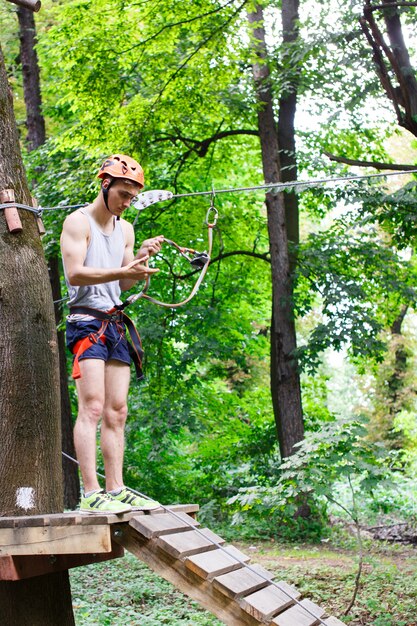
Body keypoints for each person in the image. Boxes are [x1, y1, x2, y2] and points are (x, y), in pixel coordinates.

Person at [60, 154, 164, 514]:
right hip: (86, 322)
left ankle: (115, 488)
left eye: (132, 198)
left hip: (115, 323)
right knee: (91, 406)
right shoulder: (78, 222)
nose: (126, 203)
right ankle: (91, 492)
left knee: (117, 411)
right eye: (122, 194)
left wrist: (140, 263)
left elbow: (123, 280)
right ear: (105, 185)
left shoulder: (126, 229)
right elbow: (75, 274)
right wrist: (118, 269)